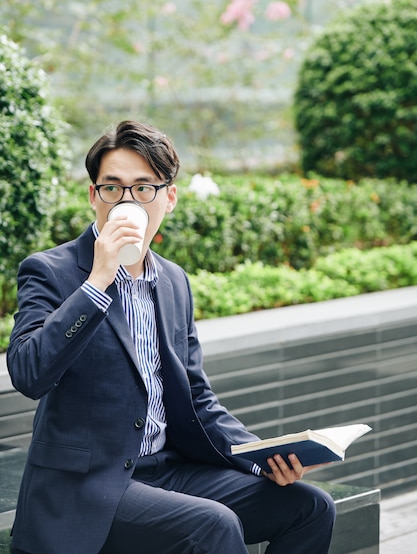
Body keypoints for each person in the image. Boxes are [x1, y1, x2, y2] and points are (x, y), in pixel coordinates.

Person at [7, 120, 336, 554]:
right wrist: (99, 281)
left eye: (144, 188)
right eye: (113, 187)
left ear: (170, 197)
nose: (127, 200)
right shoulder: (50, 271)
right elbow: (29, 373)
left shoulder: (174, 282)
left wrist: (261, 456)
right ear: (93, 196)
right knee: (212, 525)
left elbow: (197, 397)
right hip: (86, 487)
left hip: (168, 471)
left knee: (311, 506)